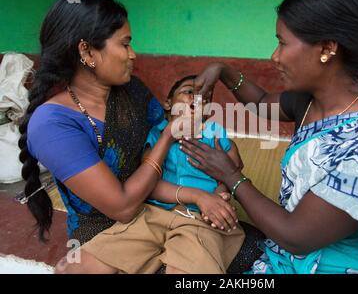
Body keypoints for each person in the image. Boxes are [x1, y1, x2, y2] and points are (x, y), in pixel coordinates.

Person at [180, 0, 358, 274]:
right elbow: (261, 101)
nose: (275, 56)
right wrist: (223, 71)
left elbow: (298, 236)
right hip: (289, 256)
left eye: (282, 43)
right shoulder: (309, 102)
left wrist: (230, 176)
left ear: (327, 48)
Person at [18, 0, 237, 274]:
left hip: (165, 205)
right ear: (86, 52)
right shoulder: (52, 124)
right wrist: (170, 137)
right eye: (125, 44)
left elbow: (175, 145)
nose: (133, 54)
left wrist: (217, 189)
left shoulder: (132, 91)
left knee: (234, 250)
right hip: (103, 228)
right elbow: (122, 208)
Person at [77, 75, 245, 274]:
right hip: (151, 215)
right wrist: (199, 196)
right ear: (168, 103)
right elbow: (148, 183)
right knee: (82, 265)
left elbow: (234, 169)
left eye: (204, 97)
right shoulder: (156, 136)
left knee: (190, 269)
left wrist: (221, 192)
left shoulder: (215, 134)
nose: (196, 99)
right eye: (189, 92)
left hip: (200, 219)